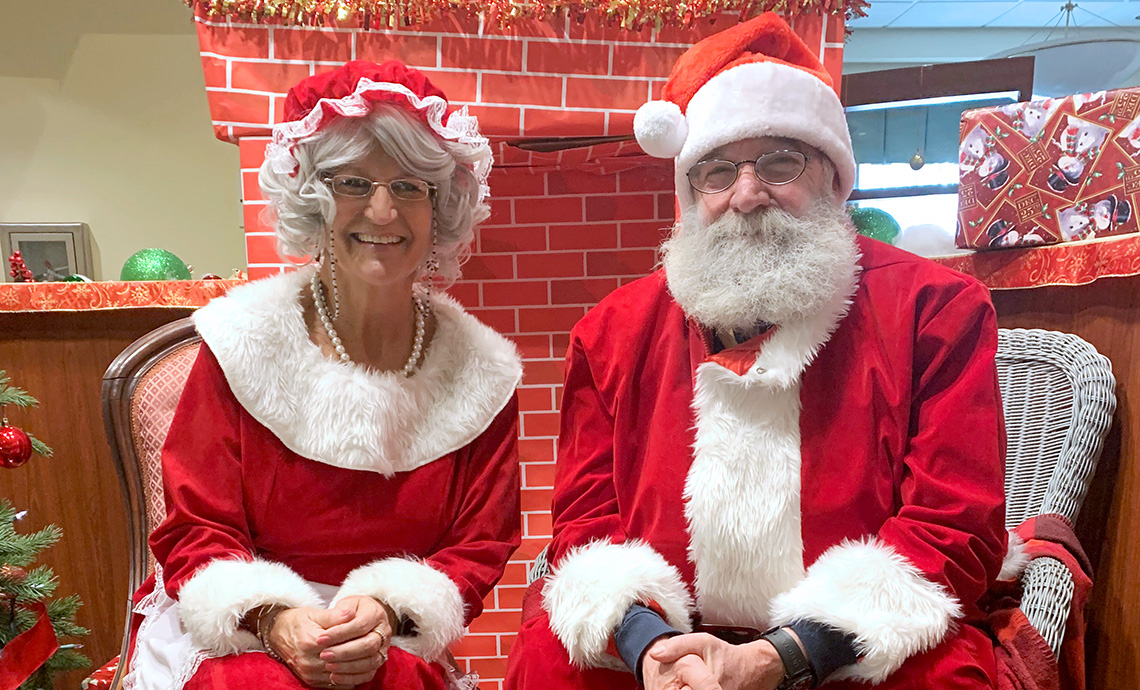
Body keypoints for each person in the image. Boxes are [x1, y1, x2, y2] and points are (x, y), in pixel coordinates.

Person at [505, 13, 1007, 690]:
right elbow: (586, 525)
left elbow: (954, 526)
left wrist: (783, 657)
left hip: (851, 646)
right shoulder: (609, 333)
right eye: (716, 172)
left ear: (833, 178)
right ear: (690, 197)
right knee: (546, 661)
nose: (746, 194)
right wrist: (651, 647)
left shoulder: (936, 311)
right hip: (667, 639)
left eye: (779, 162)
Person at [123, 60, 523, 690]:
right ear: (312, 195)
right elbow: (199, 526)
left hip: (390, 641)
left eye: (411, 186)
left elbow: (479, 543)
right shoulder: (241, 344)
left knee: (398, 679)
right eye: (354, 183)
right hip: (248, 635)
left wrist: (388, 611)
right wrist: (277, 619)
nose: (384, 211)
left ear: (441, 204)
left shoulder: (483, 373)